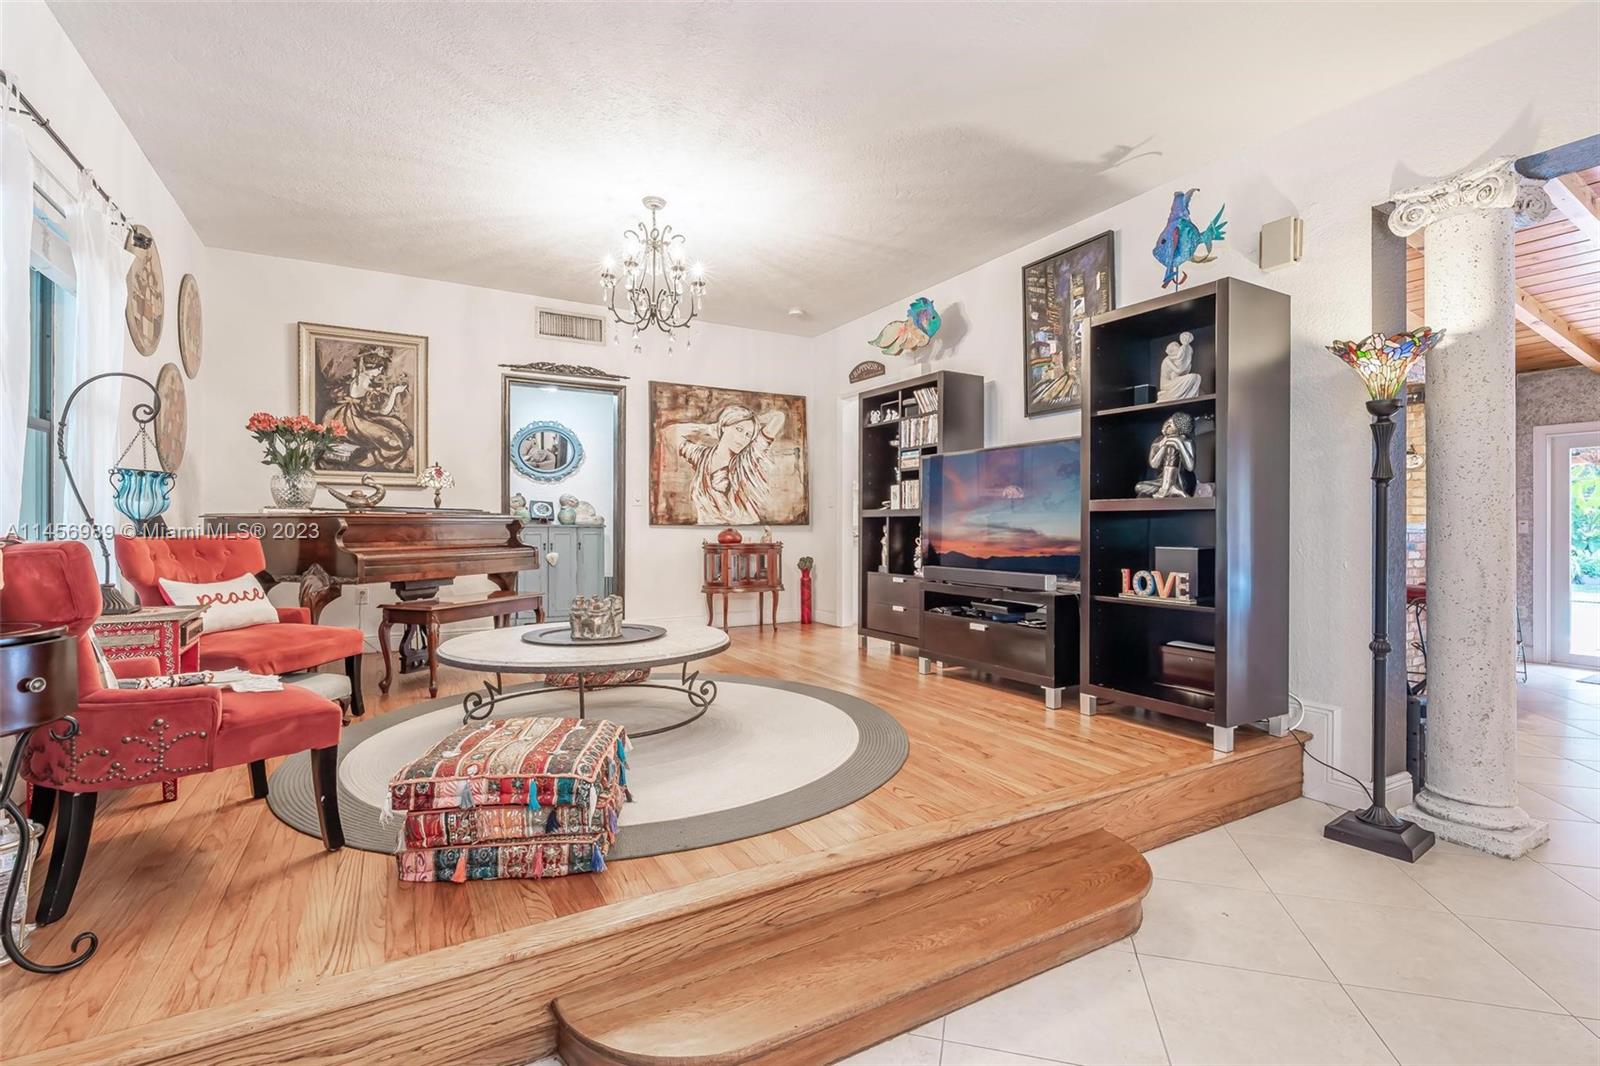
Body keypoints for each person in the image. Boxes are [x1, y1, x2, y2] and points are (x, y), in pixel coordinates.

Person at [664, 404, 785, 524]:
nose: (743, 438)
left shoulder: (748, 458)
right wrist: (709, 428)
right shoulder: (701, 456)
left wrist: (754, 420)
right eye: (739, 429)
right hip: (708, 531)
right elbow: (670, 432)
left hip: (746, 529)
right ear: (724, 427)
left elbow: (778, 417)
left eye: (748, 435)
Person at [320, 344, 413, 469]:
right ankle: (368, 459)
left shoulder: (358, 377)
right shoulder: (366, 383)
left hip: (348, 414)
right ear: (370, 367)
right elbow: (384, 411)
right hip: (354, 419)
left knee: (398, 430)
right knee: (396, 441)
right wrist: (395, 392)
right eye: (378, 368)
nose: (380, 372)